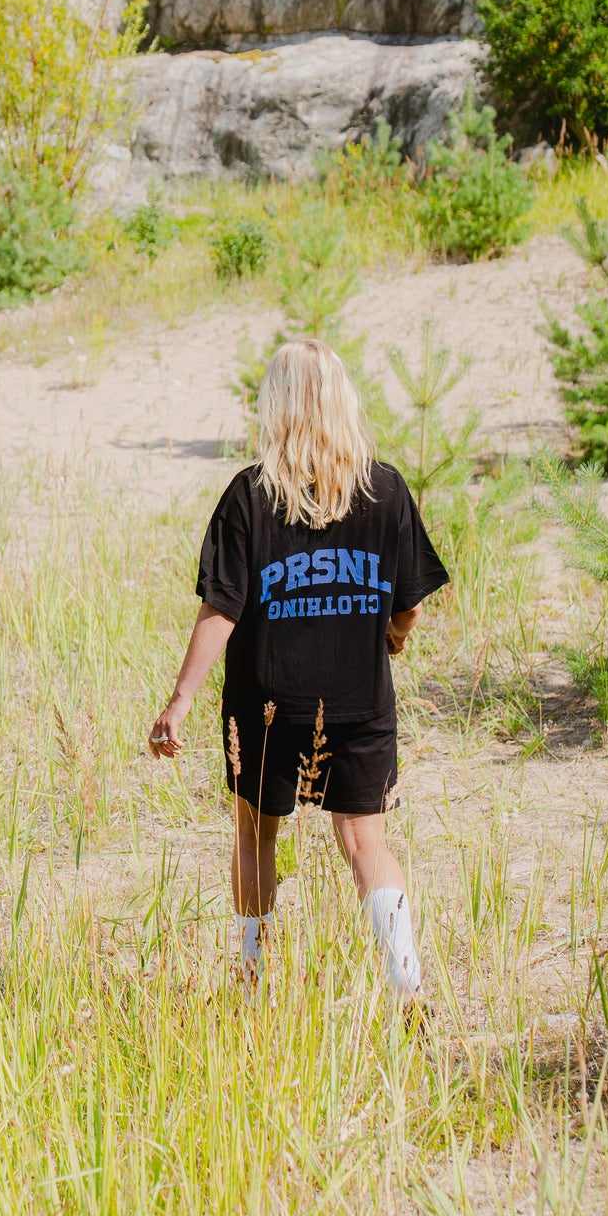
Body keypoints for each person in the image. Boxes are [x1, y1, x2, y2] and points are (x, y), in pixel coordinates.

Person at [148, 336, 449, 996]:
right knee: (366, 842)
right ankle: (407, 987)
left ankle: (251, 976)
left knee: (255, 836)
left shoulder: (249, 497)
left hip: (266, 705)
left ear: (275, 406)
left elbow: (220, 610)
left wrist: (179, 700)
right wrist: (392, 636)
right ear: (343, 401)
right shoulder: (385, 490)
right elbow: (410, 605)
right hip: (359, 699)